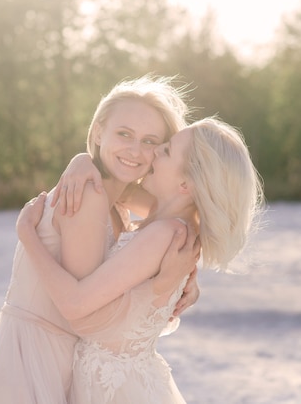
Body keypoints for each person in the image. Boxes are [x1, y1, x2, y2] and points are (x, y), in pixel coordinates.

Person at [0, 75, 201, 403]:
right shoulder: (90, 193)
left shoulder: (118, 193)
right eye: (124, 134)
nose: (135, 150)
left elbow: (182, 210)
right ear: (98, 132)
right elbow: (80, 312)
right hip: (37, 355)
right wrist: (28, 237)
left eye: (151, 141)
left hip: (67, 356)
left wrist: (188, 277)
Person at [17, 116, 264, 403]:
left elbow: (75, 306)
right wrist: (82, 160)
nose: (156, 150)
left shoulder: (163, 234)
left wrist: (28, 235)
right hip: (123, 381)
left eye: (167, 150)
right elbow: (114, 187)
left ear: (185, 183)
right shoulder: (176, 224)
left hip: (116, 388)